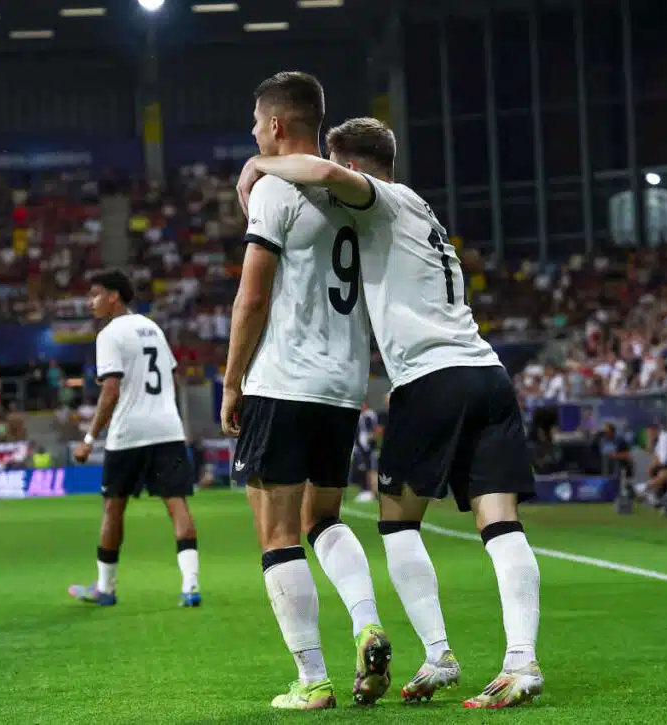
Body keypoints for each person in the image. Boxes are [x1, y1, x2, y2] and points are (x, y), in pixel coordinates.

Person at [237, 116, 543, 708]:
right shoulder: (423, 208)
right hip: (488, 374)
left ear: (355, 169)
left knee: (399, 524)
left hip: (431, 379)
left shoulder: (382, 199)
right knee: (500, 525)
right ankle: (521, 662)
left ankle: (437, 656)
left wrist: (259, 165)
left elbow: (325, 172)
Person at [220, 73, 391, 711]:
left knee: (277, 534)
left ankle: (313, 679)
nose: (254, 135)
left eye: (256, 126)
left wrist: (231, 380)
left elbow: (253, 295)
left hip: (283, 380)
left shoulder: (273, 189)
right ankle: (368, 622)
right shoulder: (355, 192)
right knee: (325, 520)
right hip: (344, 387)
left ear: (276, 127)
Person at [68, 269, 201, 608]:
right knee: (177, 503)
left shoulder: (110, 334)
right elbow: (170, 374)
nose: (90, 302)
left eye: (95, 294)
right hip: (167, 428)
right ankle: (191, 587)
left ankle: (105, 588)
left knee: (114, 506)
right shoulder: (152, 328)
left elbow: (111, 390)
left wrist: (89, 437)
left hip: (129, 431)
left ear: (114, 296)